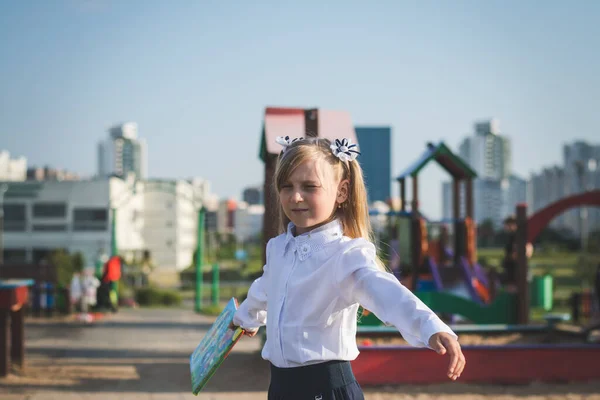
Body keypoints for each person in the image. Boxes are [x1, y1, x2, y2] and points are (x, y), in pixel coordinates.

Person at [232, 137, 465, 399]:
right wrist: (244, 318)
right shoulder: (278, 249)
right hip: (281, 389)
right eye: (287, 186)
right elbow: (265, 289)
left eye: (310, 187)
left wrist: (431, 327)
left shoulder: (345, 255)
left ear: (341, 192)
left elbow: (388, 293)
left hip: (326, 390)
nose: (295, 196)